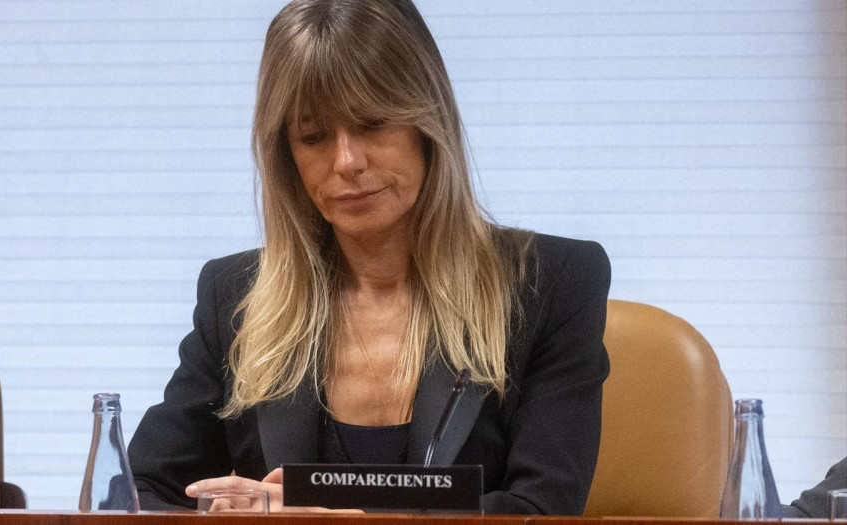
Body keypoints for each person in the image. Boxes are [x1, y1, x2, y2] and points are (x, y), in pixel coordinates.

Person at [127, 0, 610, 514]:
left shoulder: (550, 284)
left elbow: (542, 510)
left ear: (428, 122)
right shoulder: (234, 298)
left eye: (373, 123)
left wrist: (333, 515)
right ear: (286, 155)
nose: (347, 161)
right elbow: (138, 494)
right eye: (313, 136)